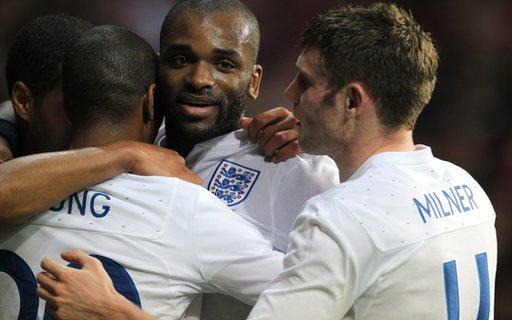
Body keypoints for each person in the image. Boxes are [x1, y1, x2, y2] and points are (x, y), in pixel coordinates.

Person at [38, 3, 498, 320]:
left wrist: (111, 312)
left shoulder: (337, 211)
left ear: (353, 102)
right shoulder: (467, 191)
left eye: (306, 82)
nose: (291, 95)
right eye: (180, 59)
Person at [0, 1, 339, 317]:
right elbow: (83, 81)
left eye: (224, 64)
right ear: (154, 79)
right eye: (180, 59)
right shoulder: (130, 151)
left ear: (253, 82)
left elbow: (329, 302)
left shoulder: (296, 166)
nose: (199, 79)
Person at [0, 15, 195, 319]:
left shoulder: (147, 161)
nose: (93, 117)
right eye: (73, 103)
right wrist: (122, 153)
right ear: (24, 102)